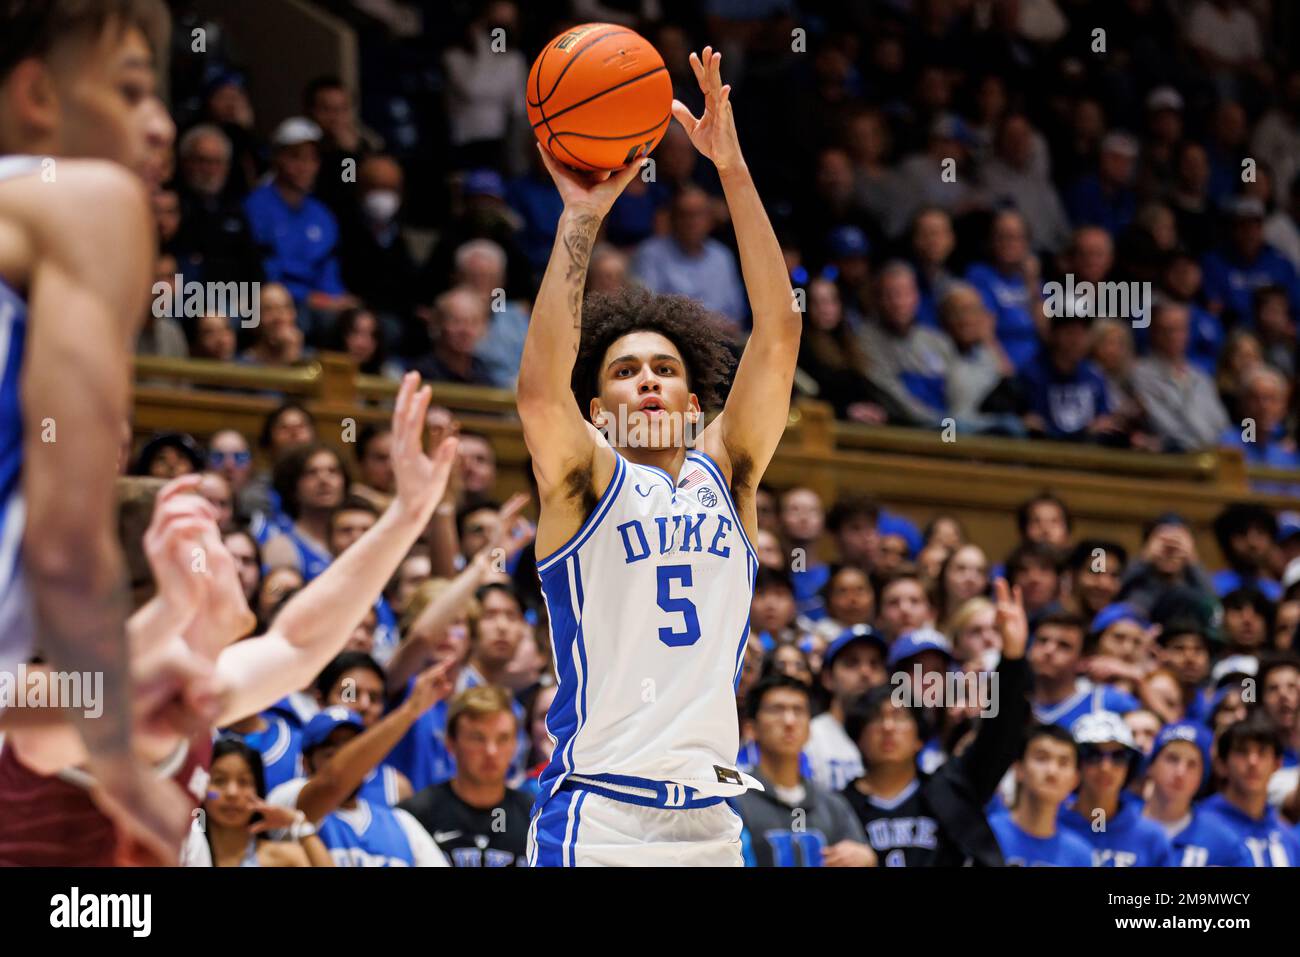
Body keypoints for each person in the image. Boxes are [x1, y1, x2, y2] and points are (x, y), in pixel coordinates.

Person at [518, 48, 800, 866]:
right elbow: (539, 393)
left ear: (694, 402)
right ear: (598, 410)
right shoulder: (584, 484)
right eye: (625, 370)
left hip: (712, 822)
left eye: (665, 369)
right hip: (601, 816)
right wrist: (579, 217)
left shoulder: (731, 471)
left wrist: (730, 166)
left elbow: (780, 328)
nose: (647, 381)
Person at [0, 0, 202, 862]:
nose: (160, 127)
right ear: (38, 94)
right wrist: (121, 770)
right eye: (130, 90)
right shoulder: (84, 202)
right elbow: (67, 550)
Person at [843, 579, 1031, 866]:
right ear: (857, 737)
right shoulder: (839, 807)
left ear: (920, 736)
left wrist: (1013, 658)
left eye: (900, 717)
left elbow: (1000, 733)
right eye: (876, 719)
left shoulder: (952, 788)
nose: (889, 728)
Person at [272, 707, 448, 867]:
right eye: (332, 755)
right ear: (306, 763)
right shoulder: (288, 802)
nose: (350, 764)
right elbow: (333, 783)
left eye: (355, 752)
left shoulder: (402, 822)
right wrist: (412, 707)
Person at [731, 675, 872, 867]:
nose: (789, 721)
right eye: (776, 710)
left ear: (809, 728)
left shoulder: (833, 805)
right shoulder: (735, 800)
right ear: (751, 727)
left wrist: (867, 858)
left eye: (798, 710)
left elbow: (865, 857)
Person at [398, 686, 532, 866]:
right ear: (450, 743)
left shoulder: (536, 818)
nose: (491, 751)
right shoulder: (415, 816)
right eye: (477, 738)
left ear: (516, 744)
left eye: (503, 739)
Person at [192, 737, 332, 867]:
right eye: (219, 780)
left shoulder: (285, 859)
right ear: (201, 786)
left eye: (243, 782)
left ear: (258, 789)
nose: (232, 793)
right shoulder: (184, 852)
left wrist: (299, 823)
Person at [1058, 711, 1175, 866]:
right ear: (1075, 762)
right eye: (1093, 754)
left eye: (1118, 756)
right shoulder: (1050, 824)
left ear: (1130, 766)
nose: (1106, 767)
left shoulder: (1151, 838)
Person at [1140, 722, 1248, 866]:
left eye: (1192, 764)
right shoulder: (1119, 825)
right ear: (1150, 766)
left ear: (1202, 777)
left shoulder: (1223, 842)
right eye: (1172, 759)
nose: (1180, 772)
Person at [1199, 714, 1300, 866]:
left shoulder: (1289, 839)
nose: (1253, 762)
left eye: (1262, 752)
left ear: (1277, 765)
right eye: (1242, 751)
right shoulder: (1197, 827)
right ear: (1221, 765)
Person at [988, 724, 1094, 866]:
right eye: (1041, 758)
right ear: (1018, 768)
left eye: (1063, 763)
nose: (1052, 771)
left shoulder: (1081, 856)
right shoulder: (987, 833)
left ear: (1075, 780)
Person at [806, 625, 887, 790]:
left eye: (874, 664)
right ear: (828, 678)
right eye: (852, 663)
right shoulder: (810, 738)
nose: (865, 672)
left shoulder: (895, 735)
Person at [1028, 612, 1139, 727]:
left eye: (1064, 645)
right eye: (1042, 640)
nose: (1049, 650)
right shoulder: (1013, 694)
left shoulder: (1106, 701)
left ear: (1082, 660)